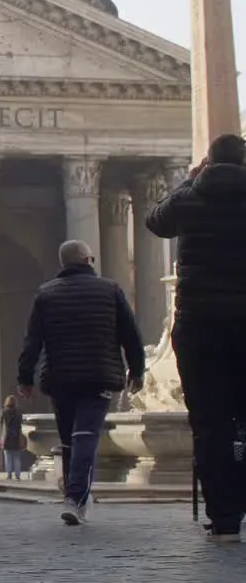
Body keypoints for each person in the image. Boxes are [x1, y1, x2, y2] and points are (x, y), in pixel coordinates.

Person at [146, 133, 246, 542]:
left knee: (209, 424)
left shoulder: (190, 198)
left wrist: (190, 181)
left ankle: (224, 518)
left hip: (200, 322)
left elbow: (155, 220)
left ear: (207, 162)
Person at [18, 239, 145, 526]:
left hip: (60, 376)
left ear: (64, 264)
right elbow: (131, 335)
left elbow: (32, 342)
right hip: (98, 373)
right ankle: (75, 498)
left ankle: (75, 495)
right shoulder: (110, 290)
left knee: (69, 439)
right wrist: (137, 370)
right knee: (85, 435)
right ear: (88, 260)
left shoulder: (46, 294)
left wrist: (25, 377)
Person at [0, 396, 25, 480]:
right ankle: (18, 475)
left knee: (8, 457)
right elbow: (21, 423)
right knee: (17, 457)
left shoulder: (4, 411)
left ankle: (9, 474)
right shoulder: (19, 412)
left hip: (7, 436)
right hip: (17, 436)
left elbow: (0, 422)